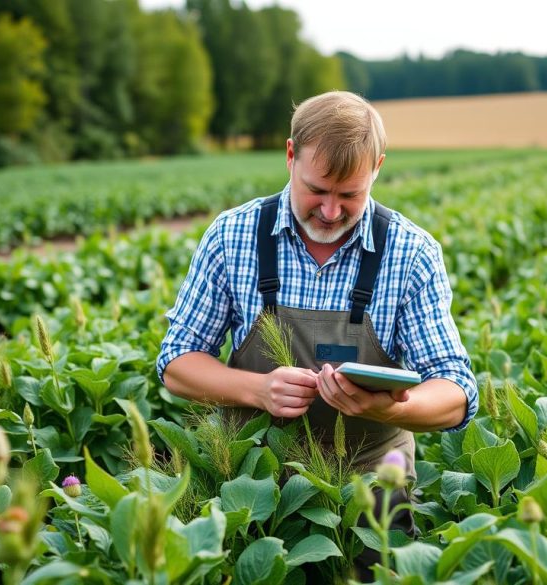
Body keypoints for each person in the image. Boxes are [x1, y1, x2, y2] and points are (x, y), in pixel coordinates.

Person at [157, 90, 477, 580]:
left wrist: (391, 408)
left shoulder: (411, 253)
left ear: (378, 168)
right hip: (249, 488)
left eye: (350, 195)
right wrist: (259, 390)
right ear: (290, 155)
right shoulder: (233, 235)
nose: (330, 212)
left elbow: (455, 391)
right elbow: (178, 362)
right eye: (317, 189)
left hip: (368, 497)